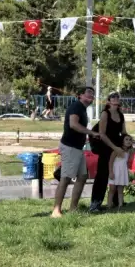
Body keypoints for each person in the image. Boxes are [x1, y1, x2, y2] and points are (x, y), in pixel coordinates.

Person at [51, 87, 98, 218]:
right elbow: (73, 124)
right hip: (70, 147)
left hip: (78, 148)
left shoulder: (82, 109)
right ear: (80, 95)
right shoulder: (76, 106)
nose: (91, 96)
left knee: (82, 177)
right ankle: (56, 210)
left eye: (93, 94)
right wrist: (91, 132)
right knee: (65, 178)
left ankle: (73, 209)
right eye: (88, 93)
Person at [89, 92, 127, 213]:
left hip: (117, 147)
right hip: (106, 147)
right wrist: (114, 148)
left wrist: (128, 144)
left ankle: (116, 201)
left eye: (117, 97)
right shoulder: (105, 114)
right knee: (102, 175)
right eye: (113, 97)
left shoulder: (121, 115)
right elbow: (102, 134)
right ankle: (95, 204)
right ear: (109, 101)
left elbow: (124, 132)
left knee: (116, 173)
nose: (116, 98)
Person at [108, 134, 134, 210]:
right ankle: (109, 205)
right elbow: (111, 162)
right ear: (122, 141)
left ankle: (120, 205)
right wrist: (111, 172)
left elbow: (127, 163)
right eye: (126, 139)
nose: (129, 141)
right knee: (112, 189)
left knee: (120, 189)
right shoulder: (117, 150)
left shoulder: (129, 152)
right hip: (115, 171)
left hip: (122, 172)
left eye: (130, 140)